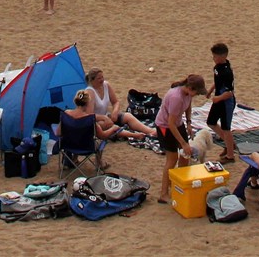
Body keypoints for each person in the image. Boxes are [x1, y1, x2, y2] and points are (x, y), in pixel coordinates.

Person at [154, 75, 206, 203]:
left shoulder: (187, 94)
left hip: (178, 124)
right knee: (172, 159)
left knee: (185, 155)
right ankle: (163, 193)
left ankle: (179, 183)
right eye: (197, 92)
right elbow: (170, 123)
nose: (196, 95)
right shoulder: (176, 97)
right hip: (165, 127)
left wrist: (188, 123)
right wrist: (183, 143)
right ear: (190, 87)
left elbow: (188, 106)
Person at [82, 68, 158, 139]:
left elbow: (115, 102)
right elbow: (89, 115)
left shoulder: (106, 85)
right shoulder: (90, 92)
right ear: (92, 80)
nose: (102, 80)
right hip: (96, 121)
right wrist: (104, 118)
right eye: (99, 78)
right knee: (105, 125)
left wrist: (115, 112)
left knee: (127, 116)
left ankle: (150, 131)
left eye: (102, 77)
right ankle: (133, 135)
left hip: (106, 116)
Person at [205, 42, 240, 162]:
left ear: (223, 57)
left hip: (226, 103)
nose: (213, 58)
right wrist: (210, 91)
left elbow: (230, 92)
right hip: (218, 99)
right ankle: (229, 143)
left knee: (226, 128)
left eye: (215, 56)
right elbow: (217, 82)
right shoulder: (217, 68)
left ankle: (230, 156)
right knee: (211, 122)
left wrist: (218, 98)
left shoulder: (227, 72)